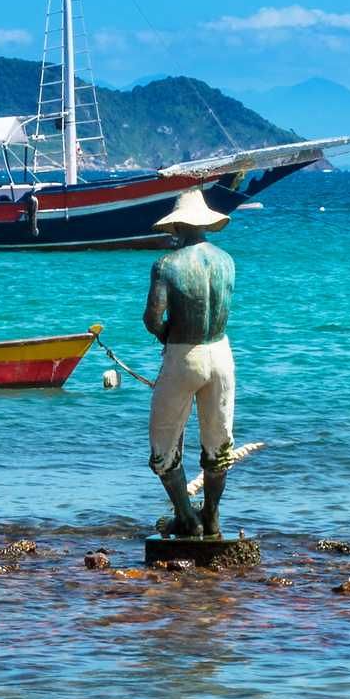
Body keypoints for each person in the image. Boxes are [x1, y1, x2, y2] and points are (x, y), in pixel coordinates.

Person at [143, 191, 238, 539]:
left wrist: (165, 335)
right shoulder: (227, 261)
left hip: (185, 354)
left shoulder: (167, 265)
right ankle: (212, 518)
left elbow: (153, 317)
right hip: (222, 354)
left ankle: (186, 517)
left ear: (179, 225)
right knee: (218, 444)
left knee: (163, 446)